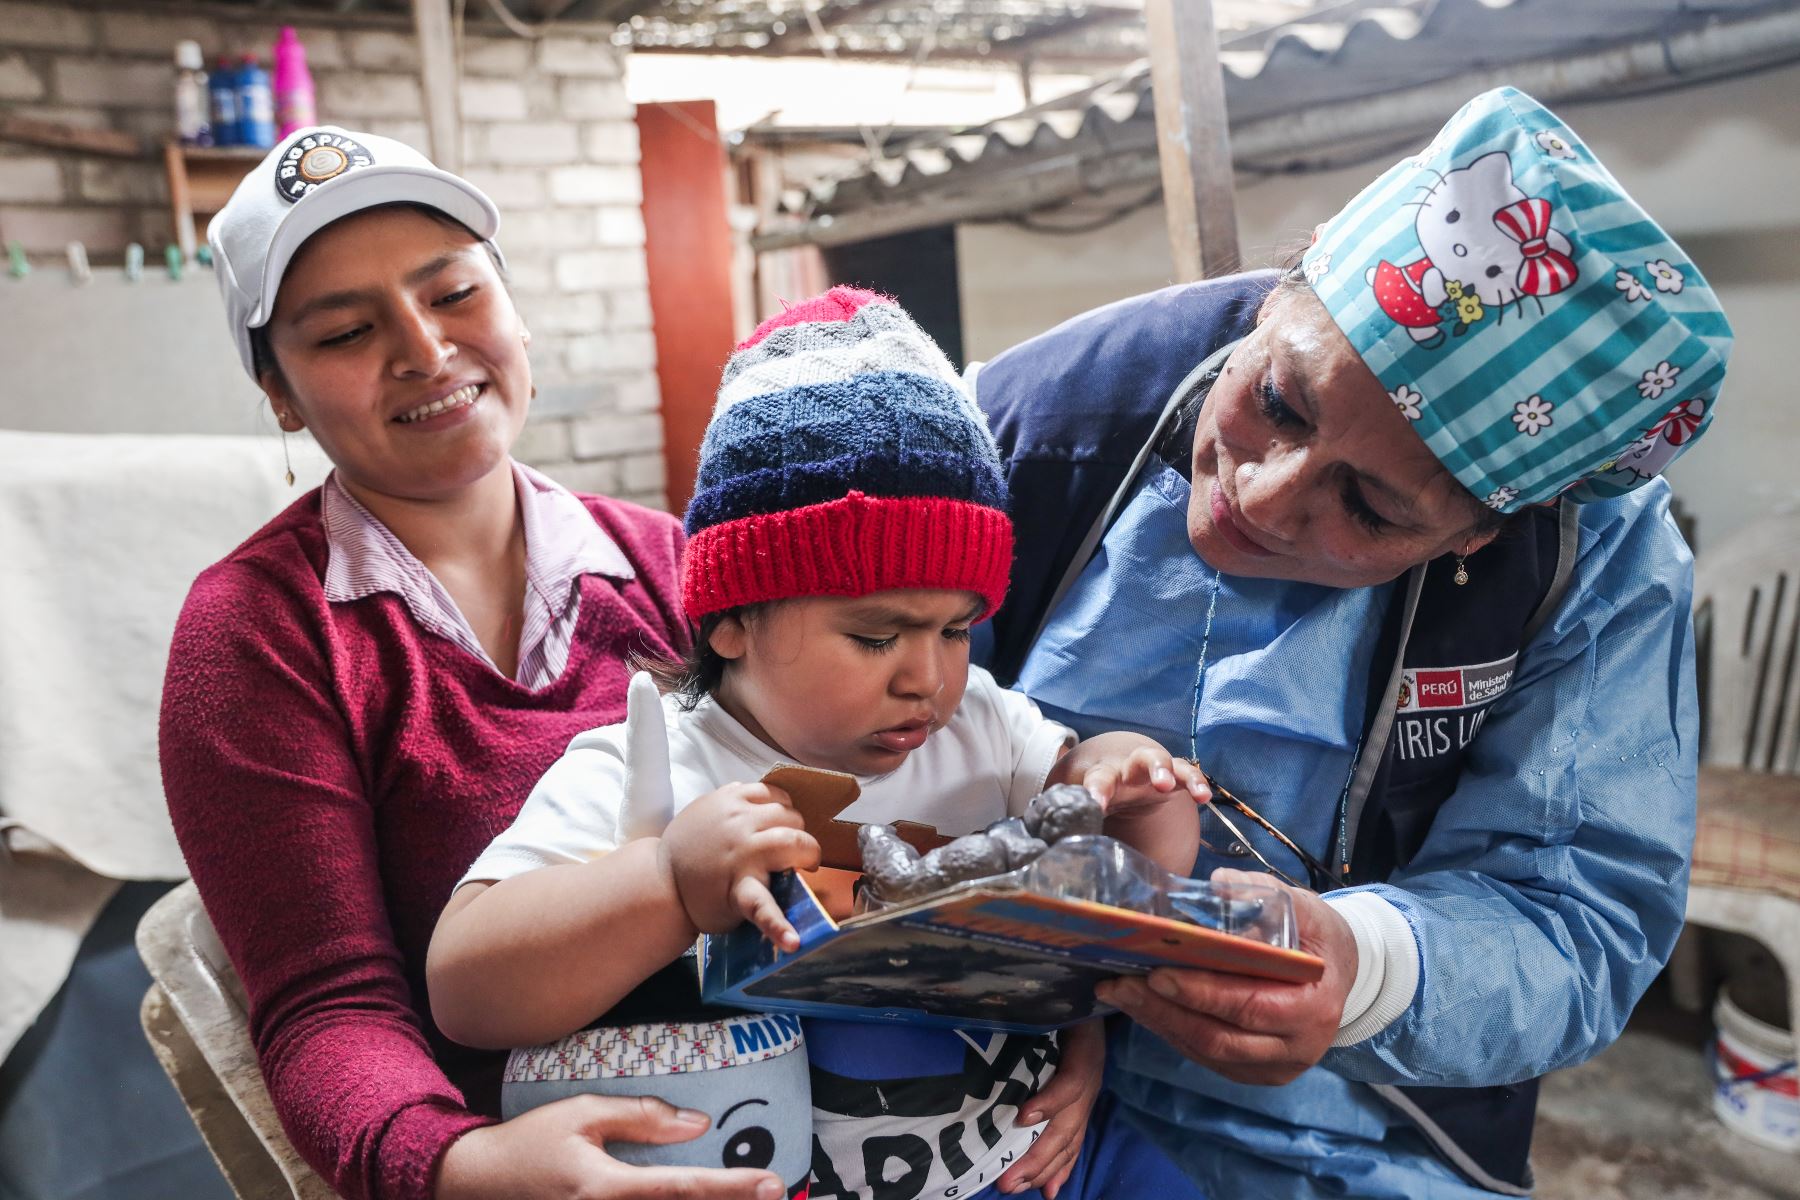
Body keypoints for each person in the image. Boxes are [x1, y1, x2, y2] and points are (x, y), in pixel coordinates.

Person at [969, 87, 1730, 1197]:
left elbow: (1579, 909)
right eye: (1277, 399)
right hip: (989, 1059)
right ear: (1296, 275)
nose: (1263, 502)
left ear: (1480, 533)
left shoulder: (1589, 562)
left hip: (1351, 1120)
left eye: (1370, 510)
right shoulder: (1034, 423)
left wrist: (1365, 969)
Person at [426, 287, 1207, 1200]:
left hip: (1045, 1162)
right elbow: (465, 991)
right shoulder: (653, 769)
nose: (929, 678)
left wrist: (1127, 785)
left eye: (957, 630)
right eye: (878, 637)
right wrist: (667, 883)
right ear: (731, 622)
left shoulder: (983, 728)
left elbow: (1139, 892)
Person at [159, 126, 782, 1200]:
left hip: (792, 1126)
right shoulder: (259, 634)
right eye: (348, 330)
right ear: (280, 395)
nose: (423, 349)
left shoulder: (677, 566)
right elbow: (329, 1011)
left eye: (452, 293)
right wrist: (463, 1165)